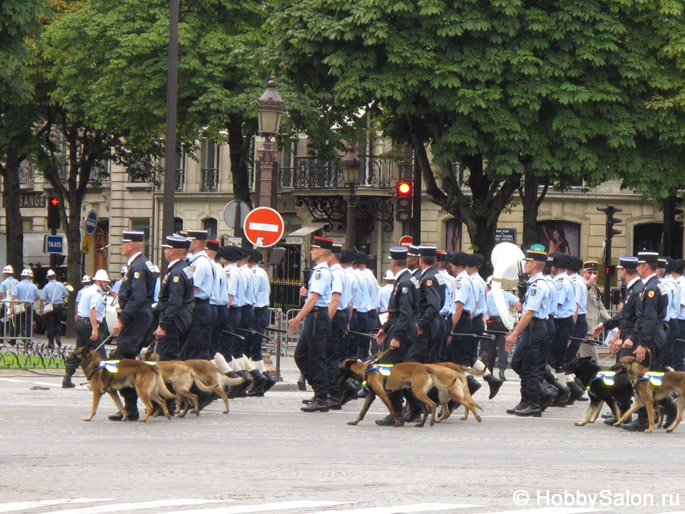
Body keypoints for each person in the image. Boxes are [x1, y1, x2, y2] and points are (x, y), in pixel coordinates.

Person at [108, 230, 156, 421]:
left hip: (136, 316)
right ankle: (131, 407)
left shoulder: (137, 267)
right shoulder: (141, 264)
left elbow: (136, 297)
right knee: (127, 359)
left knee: (124, 361)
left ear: (132, 245)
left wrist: (122, 319)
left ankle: (130, 408)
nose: (121, 246)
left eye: (123, 243)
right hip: (140, 315)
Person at [374, 246, 419, 426]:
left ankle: (397, 412)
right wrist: (385, 328)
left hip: (402, 330)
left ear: (392, 263)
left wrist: (397, 336)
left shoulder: (405, 283)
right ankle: (415, 407)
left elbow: (405, 313)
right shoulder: (405, 281)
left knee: (387, 371)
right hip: (398, 328)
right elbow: (397, 312)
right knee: (398, 371)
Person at [288, 236, 333, 413]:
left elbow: (314, 299)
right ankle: (319, 391)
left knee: (315, 357)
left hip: (316, 316)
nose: (311, 251)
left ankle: (322, 396)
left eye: (314, 249)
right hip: (314, 316)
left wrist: (297, 318)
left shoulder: (321, 271)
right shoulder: (318, 271)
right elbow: (312, 295)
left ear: (321, 252)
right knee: (301, 355)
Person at [505, 249, 550, 417]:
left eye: (526, 263)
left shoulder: (538, 285)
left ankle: (534, 402)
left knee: (530, 366)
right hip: (531, 327)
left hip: (534, 327)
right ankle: (527, 399)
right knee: (519, 363)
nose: (524, 265)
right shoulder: (533, 284)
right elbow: (527, 310)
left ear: (533, 264)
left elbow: (531, 312)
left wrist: (515, 333)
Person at [62, 269, 110, 388]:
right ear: (98, 281)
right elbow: (93, 311)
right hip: (89, 324)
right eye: (104, 282)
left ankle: (67, 377)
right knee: (100, 353)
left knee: (80, 351)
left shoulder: (86, 290)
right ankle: (100, 381)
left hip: (80, 323)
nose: (106, 284)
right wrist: (94, 329)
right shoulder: (96, 293)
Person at [318, 244, 350, 410]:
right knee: (332, 356)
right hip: (340, 315)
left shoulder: (336, 274)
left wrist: (327, 321)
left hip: (334, 315)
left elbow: (335, 300)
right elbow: (349, 302)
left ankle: (333, 393)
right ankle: (331, 391)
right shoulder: (341, 272)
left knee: (329, 357)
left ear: (331, 256)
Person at [153, 235, 194, 361]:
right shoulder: (183, 268)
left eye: (166, 249)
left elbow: (174, 301)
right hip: (182, 317)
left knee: (168, 359)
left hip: (174, 321)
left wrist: (164, 326)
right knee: (176, 357)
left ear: (172, 251)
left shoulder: (176, 272)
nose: (165, 252)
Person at [246, 249, 277, 396]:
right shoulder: (261, 272)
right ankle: (264, 377)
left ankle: (261, 379)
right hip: (260, 311)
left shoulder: (255, 274)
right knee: (252, 347)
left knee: (253, 347)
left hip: (256, 312)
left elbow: (252, 295)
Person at [548, 252, 576, 406]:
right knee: (556, 358)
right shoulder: (567, 280)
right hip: (564, 322)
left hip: (560, 321)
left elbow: (556, 303)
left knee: (556, 359)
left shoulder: (560, 282)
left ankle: (561, 392)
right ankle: (569, 387)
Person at [183, 229, 216, 360]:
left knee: (195, 348)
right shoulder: (197, 261)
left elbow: (192, 289)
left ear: (196, 243)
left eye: (189, 241)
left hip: (199, 307)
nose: (187, 244)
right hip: (199, 306)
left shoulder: (200, 262)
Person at [485, 275, 517, 380]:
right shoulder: (505, 294)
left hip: (491, 323)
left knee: (491, 348)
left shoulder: (488, 295)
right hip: (503, 322)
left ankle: (489, 371)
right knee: (503, 348)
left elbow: (485, 311)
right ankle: (502, 371)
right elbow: (518, 301)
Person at [580, 261, 609, 362]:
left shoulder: (595, 288)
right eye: (589, 272)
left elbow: (600, 308)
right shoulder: (581, 284)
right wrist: (588, 284)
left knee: (585, 361)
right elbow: (580, 294)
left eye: (595, 273)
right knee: (593, 361)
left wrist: (612, 322)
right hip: (584, 328)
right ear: (583, 273)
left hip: (591, 329)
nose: (592, 275)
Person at [40, 269, 68, 348]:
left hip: (50, 307)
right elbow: (67, 294)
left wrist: (41, 309)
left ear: (48, 278)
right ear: (55, 277)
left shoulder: (46, 287)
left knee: (50, 324)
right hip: (59, 306)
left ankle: (51, 341)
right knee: (58, 323)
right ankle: (58, 336)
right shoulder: (61, 285)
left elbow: (43, 299)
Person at [14, 268, 40, 339]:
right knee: (28, 322)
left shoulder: (18, 285)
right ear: (30, 277)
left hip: (20, 305)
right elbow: (37, 297)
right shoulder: (33, 286)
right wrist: (31, 299)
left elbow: (14, 296)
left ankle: (22, 334)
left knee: (19, 322)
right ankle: (28, 337)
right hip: (29, 305)